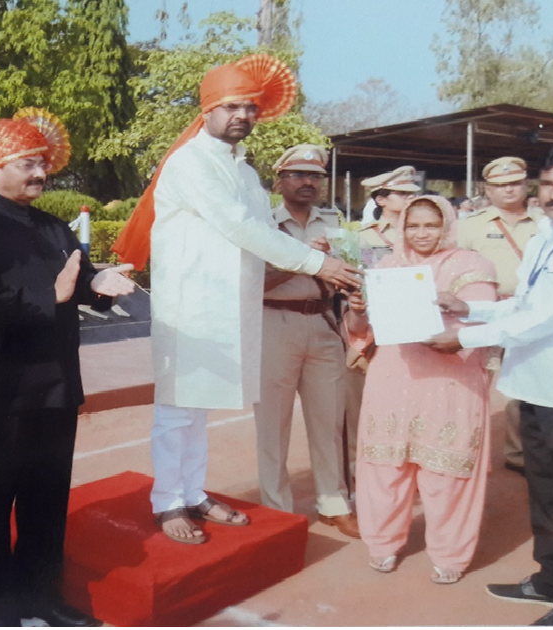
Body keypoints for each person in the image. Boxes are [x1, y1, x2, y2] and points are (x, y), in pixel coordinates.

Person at [111, 55, 362, 545]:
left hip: (228, 306)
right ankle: (167, 501)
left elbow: (265, 232)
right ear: (206, 110)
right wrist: (316, 264)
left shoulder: (244, 172)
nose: (242, 115)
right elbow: (239, 226)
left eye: (250, 107)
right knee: (178, 407)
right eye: (230, 106)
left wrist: (315, 251)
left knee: (199, 407)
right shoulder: (189, 163)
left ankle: (193, 492)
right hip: (189, 305)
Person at [0, 107, 133, 627]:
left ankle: (44, 597)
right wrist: (53, 296)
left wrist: (98, 283)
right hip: (0, 386)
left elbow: (79, 278)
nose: (40, 172)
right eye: (27, 163)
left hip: (55, 382)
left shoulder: (53, 227)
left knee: (47, 496)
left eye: (43, 163)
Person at [426, 145, 553, 626]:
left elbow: (552, 315)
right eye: (550, 183)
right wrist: (471, 308)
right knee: (547, 491)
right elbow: (528, 302)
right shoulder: (550, 234)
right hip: (539, 383)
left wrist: (465, 338)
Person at [345, 195, 496, 584]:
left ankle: (450, 554)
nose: (422, 233)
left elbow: (483, 323)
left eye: (431, 225)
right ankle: (382, 544)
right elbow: (363, 331)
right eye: (413, 226)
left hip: (451, 378)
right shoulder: (388, 267)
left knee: (446, 470)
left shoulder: (472, 265)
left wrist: (450, 322)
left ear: (447, 224)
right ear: (402, 227)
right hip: (394, 375)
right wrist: (358, 310)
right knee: (385, 466)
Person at [255, 144, 358, 538]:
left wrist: (342, 271)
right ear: (280, 181)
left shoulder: (332, 222)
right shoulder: (262, 224)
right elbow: (251, 283)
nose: (307, 182)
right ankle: (276, 510)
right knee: (272, 424)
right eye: (297, 174)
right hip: (274, 321)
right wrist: (303, 259)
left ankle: (334, 503)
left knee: (329, 421)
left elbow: (350, 272)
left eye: (315, 176)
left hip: (323, 321)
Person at [457, 156, 544, 476]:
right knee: (473, 384)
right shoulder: (471, 225)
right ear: (487, 190)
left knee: (527, 386)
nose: (509, 190)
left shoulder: (545, 223)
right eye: (500, 185)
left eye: (515, 183)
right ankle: (465, 449)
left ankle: (519, 453)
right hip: (484, 315)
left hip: (532, 314)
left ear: (526, 185)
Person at [343, 166, 422, 474]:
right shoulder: (362, 238)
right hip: (372, 329)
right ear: (381, 199)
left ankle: (408, 466)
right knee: (363, 403)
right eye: (402, 193)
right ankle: (359, 469)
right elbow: (350, 282)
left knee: (413, 401)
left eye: (412, 193)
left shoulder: (423, 233)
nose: (410, 198)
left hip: (414, 328)